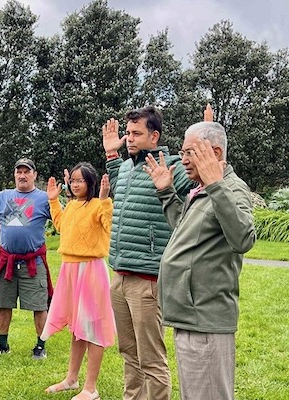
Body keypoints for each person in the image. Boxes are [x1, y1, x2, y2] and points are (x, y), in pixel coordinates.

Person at [143, 121, 256, 400]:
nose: (182, 160)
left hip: (205, 319)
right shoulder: (202, 188)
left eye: (189, 152)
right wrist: (166, 193)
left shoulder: (229, 187)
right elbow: (185, 233)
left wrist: (216, 185)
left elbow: (243, 238)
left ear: (214, 152)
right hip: (191, 317)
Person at [102, 106, 193, 400]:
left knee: (151, 359)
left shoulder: (172, 166)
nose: (129, 138)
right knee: (129, 352)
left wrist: (207, 146)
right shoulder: (128, 166)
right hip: (120, 274)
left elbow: (199, 192)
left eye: (136, 133)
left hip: (149, 280)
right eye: (127, 133)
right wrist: (111, 157)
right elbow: (120, 190)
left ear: (154, 136)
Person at [0, 158, 53, 359]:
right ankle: (2, 344)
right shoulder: (4, 196)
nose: (22, 175)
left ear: (34, 175)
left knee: (39, 306)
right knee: (3, 304)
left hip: (33, 262)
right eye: (19, 171)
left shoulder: (43, 198)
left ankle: (40, 346)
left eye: (26, 172)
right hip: (8, 262)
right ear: (14, 174)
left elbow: (62, 220)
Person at [41, 163, 115, 400]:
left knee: (92, 328)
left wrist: (104, 199)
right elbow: (63, 226)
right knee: (77, 327)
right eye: (72, 180)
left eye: (80, 180)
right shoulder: (72, 205)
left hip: (91, 270)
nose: (75, 184)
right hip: (70, 269)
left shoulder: (97, 205)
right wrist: (54, 201)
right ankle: (72, 379)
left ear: (90, 183)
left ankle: (91, 388)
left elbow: (110, 225)